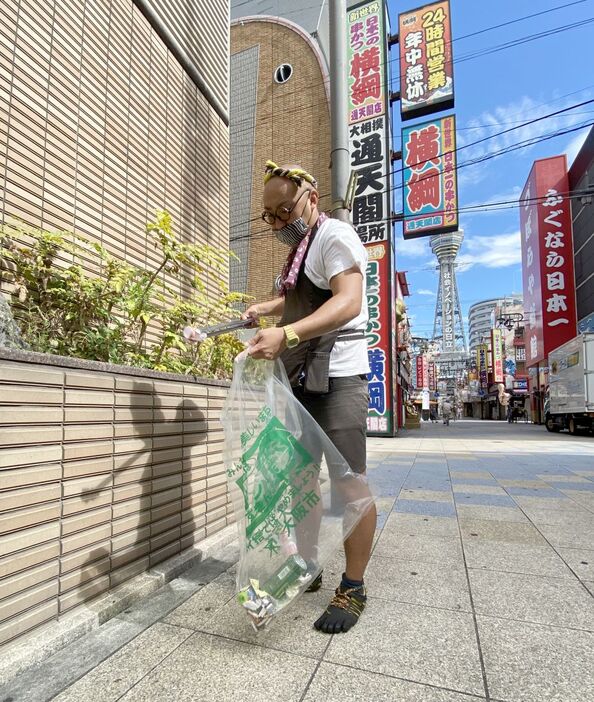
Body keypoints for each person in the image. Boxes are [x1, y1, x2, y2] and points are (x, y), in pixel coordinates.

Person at [243, 161, 376, 634]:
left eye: (285, 210)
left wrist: (288, 333)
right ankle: (309, 566)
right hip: (301, 381)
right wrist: (268, 308)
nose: (278, 222)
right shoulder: (302, 249)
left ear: (311, 198)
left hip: (337, 380)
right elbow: (306, 293)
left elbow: (347, 301)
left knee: (349, 485)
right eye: (270, 216)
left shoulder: (334, 235)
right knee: (300, 484)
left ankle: (354, 586)